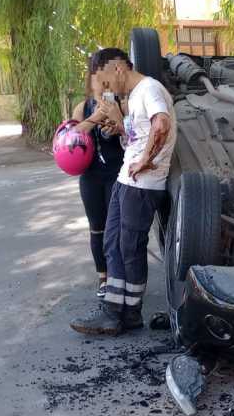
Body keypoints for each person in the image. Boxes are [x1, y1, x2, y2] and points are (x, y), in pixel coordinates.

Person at [70, 48, 177, 335]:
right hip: (127, 181)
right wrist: (120, 127)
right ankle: (118, 312)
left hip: (142, 185)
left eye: (106, 82)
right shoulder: (136, 97)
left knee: (127, 247)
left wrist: (146, 160)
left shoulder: (149, 89)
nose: (107, 90)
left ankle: (123, 313)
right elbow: (137, 135)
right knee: (114, 243)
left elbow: (161, 124)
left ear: (118, 69)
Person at [70, 52, 127, 298]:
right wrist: (96, 117)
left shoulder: (123, 103)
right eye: (97, 78)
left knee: (119, 229)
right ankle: (103, 278)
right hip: (91, 176)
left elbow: (132, 135)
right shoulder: (82, 108)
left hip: (118, 174)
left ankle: (119, 277)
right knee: (97, 228)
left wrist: (116, 118)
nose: (102, 83)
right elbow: (71, 138)